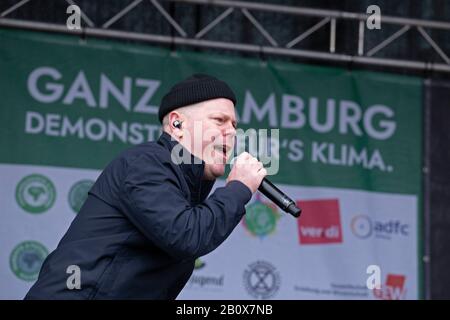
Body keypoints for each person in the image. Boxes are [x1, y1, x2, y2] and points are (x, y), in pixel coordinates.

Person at [25, 73, 267, 299]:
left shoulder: (187, 187)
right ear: (177, 125)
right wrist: (238, 187)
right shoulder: (147, 163)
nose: (232, 132)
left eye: (234, 125)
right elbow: (185, 236)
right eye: (219, 120)